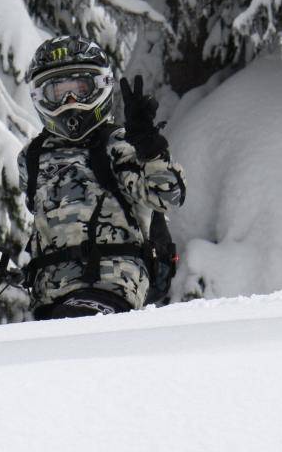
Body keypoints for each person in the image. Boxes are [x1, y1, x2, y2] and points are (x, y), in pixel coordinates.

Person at [18, 36, 186, 319]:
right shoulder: (32, 158)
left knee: (72, 328)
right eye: (58, 92)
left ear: (100, 87)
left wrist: (150, 147)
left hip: (113, 284)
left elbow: (169, 196)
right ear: (41, 97)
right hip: (50, 297)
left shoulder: (118, 145)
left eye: (80, 89)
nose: (70, 101)